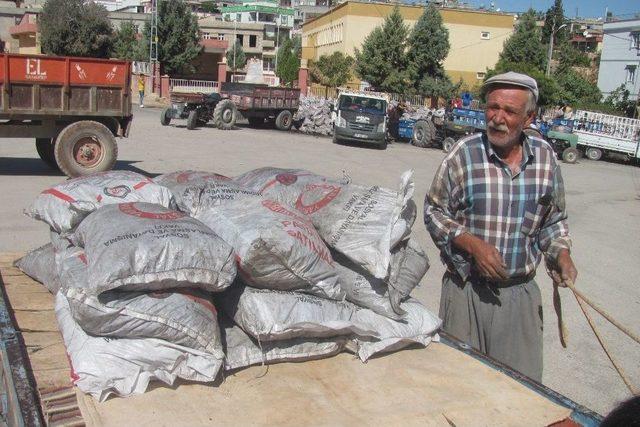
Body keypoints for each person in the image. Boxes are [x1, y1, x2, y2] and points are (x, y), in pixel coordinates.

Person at [424, 71, 578, 382]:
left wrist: (562, 255)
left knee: (521, 394)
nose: (497, 118)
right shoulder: (463, 154)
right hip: (465, 292)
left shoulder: (545, 158)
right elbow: (433, 211)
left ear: (529, 117)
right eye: (492, 108)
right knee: (457, 391)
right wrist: (471, 244)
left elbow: (553, 222)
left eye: (509, 111)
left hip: (519, 297)